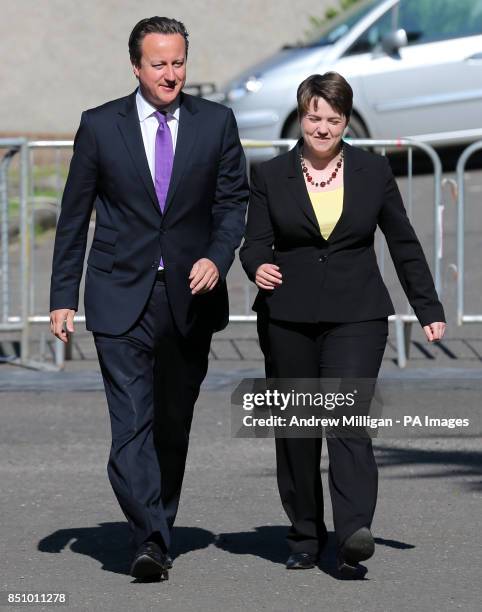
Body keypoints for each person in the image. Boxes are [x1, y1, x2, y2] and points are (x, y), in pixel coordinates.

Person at [49, 16, 248, 580]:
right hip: (118, 293)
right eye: (158, 63)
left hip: (190, 294)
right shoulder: (99, 126)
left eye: (178, 62)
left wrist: (217, 255)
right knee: (131, 422)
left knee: (171, 424)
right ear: (136, 65)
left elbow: (233, 203)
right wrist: (63, 294)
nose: (170, 74)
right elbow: (73, 216)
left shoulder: (216, 123)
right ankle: (150, 539)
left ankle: (155, 524)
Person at [240, 72, 446, 576]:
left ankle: (353, 532)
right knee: (297, 430)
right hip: (286, 316)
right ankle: (305, 535)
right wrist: (256, 265)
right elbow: (254, 242)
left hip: (358, 315)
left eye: (333, 119)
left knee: (347, 422)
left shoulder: (373, 173)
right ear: (300, 116)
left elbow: (403, 242)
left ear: (346, 121)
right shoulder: (269, 175)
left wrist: (429, 308)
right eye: (315, 117)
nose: (323, 127)